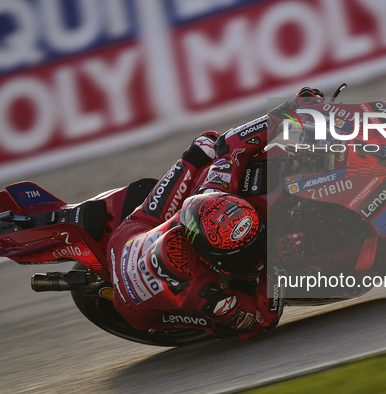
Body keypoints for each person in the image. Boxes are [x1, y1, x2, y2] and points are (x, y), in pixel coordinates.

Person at [106, 87, 325, 340]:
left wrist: (294, 107)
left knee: (204, 146)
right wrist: (279, 269)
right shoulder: (207, 293)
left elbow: (230, 143)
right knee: (224, 327)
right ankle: (176, 326)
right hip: (135, 309)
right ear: (213, 260)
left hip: (133, 233)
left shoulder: (213, 190)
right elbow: (261, 320)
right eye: (244, 251)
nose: (257, 249)